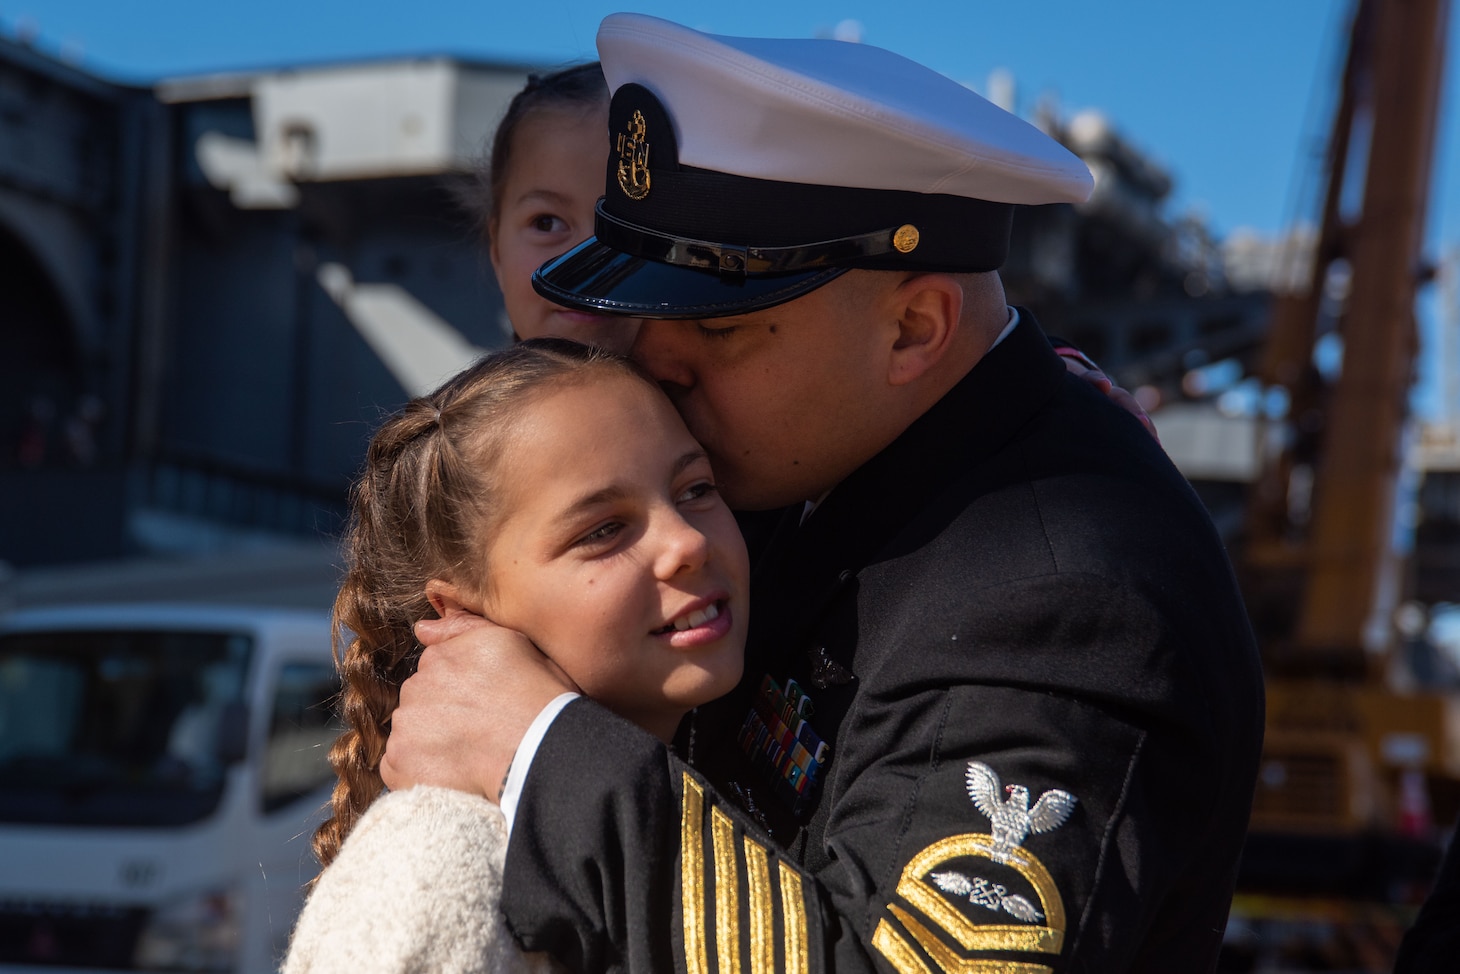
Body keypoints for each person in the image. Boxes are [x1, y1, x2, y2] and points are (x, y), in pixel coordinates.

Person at [385, 14, 1259, 973]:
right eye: (648, 309)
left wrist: (544, 754)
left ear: (912, 329)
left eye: (715, 328)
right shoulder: (823, 462)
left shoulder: (1067, 600)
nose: (651, 355)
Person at [282, 339, 750, 973]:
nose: (687, 542)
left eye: (696, 488)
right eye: (603, 530)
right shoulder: (430, 869)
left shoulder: (718, 771)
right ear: (461, 616)